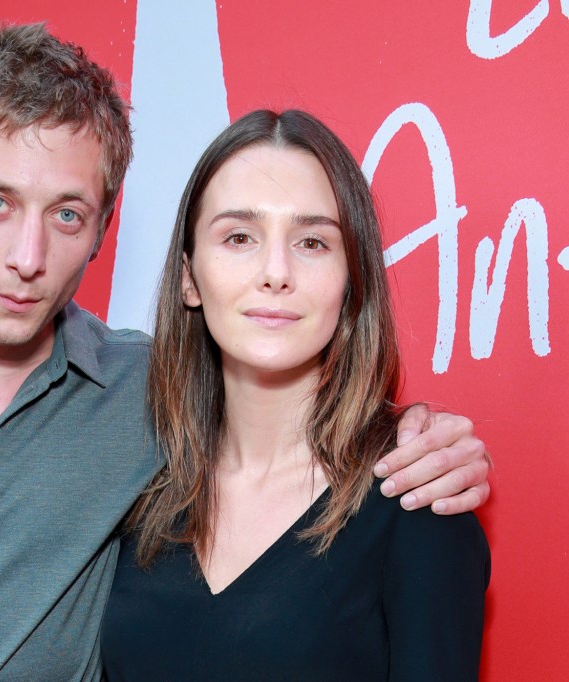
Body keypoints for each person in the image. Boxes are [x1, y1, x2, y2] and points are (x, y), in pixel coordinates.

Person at [0, 25, 490, 681]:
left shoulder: (139, 392)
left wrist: (425, 436)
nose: (27, 255)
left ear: (103, 229)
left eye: (67, 213)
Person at [100, 109, 490, 680]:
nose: (276, 271)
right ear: (189, 277)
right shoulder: (135, 484)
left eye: (311, 242)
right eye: (239, 237)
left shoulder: (416, 494)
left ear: (350, 281)